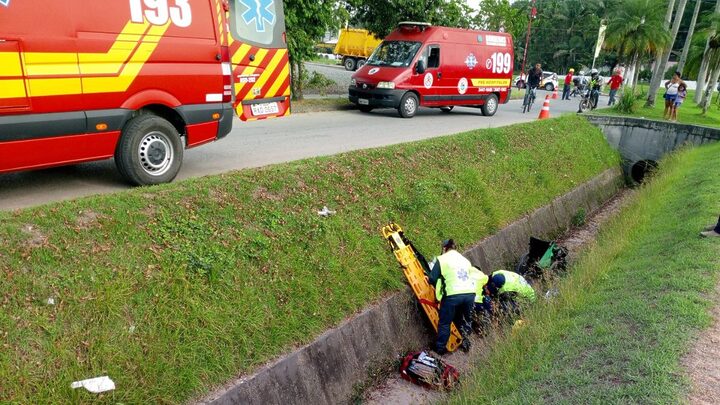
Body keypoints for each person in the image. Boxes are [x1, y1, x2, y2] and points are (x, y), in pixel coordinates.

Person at [427, 239, 477, 354]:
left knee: (445, 322)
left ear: (444, 248)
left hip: (453, 294)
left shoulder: (442, 259)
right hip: (470, 293)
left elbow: (432, 278)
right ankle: (466, 343)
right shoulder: (465, 260)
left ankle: (440, 349)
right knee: (463, 319)